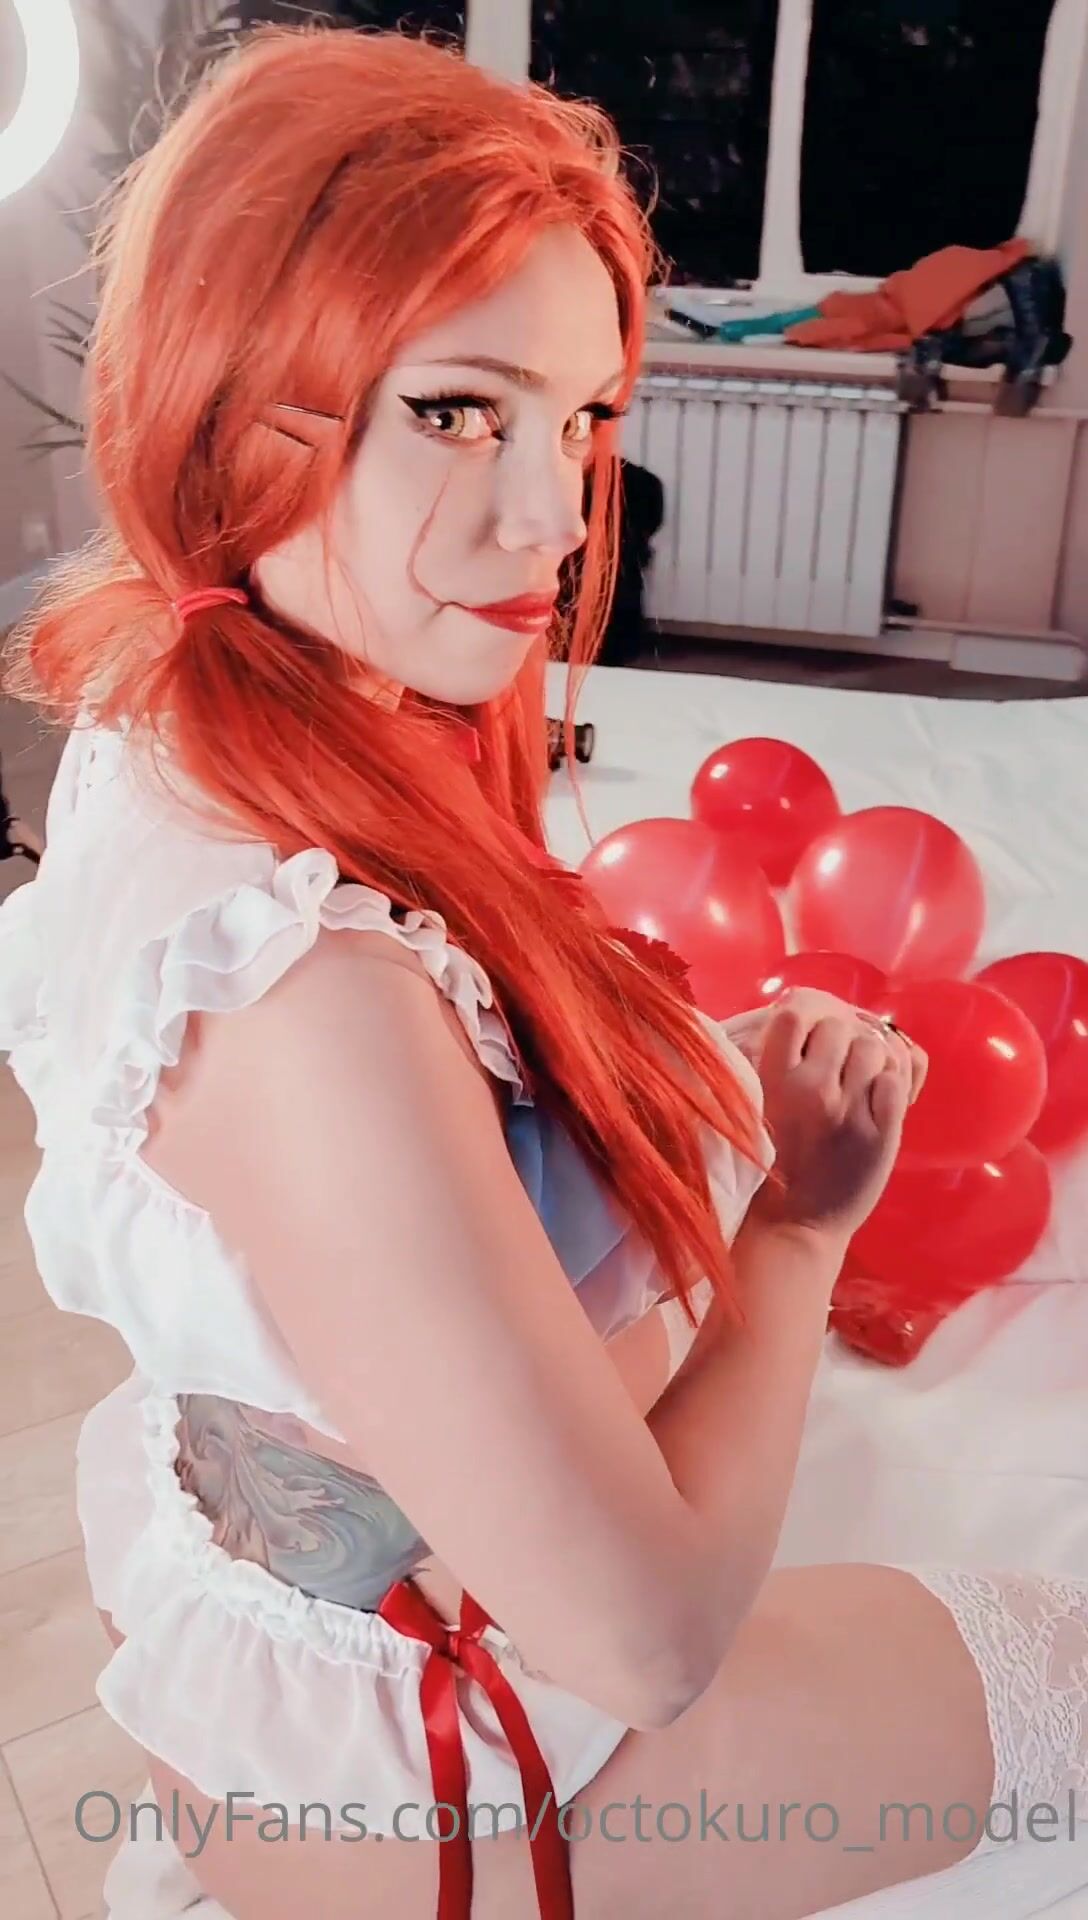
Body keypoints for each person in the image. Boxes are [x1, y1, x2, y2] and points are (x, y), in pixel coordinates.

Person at [0, 26, 1085, 1920]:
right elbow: (647, 1640)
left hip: (302, 1638)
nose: (555, 517)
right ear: (229, 404)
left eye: (579, 418)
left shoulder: (172, 698)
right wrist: (797, 1234)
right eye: (456, 411)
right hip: (439, 1765)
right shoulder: (308, 999)